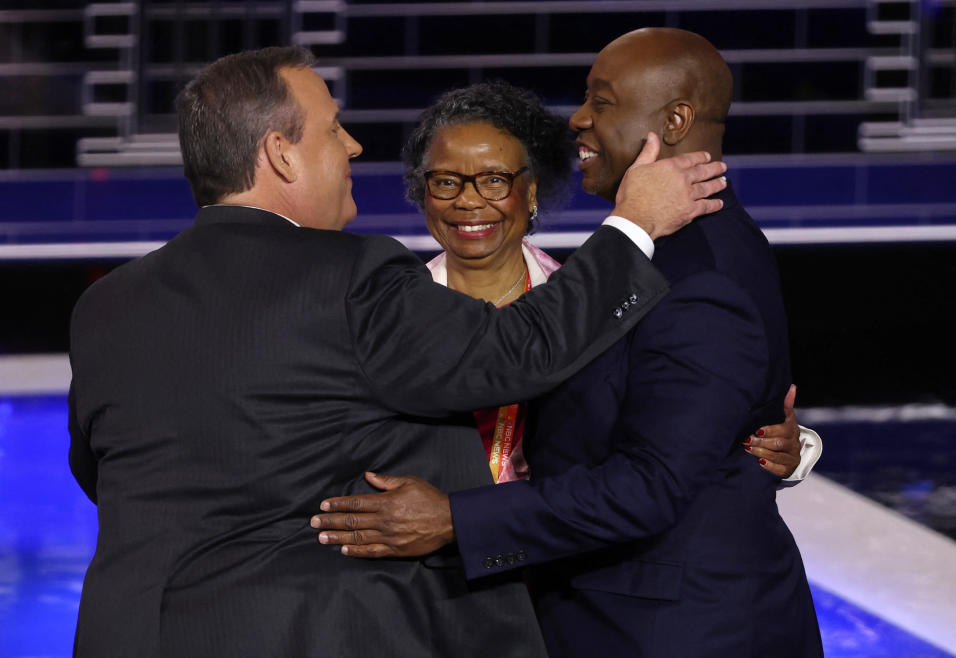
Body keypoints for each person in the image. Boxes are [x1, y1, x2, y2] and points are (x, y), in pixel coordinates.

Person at [67, 46, 727, 656]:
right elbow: (523, 349)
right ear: (280, 153)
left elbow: (105, 473)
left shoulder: (107, 305)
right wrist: (634, 222)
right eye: (331, 129)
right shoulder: (348, 277)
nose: (352, 145)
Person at [313, 29, 824, 657]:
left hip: (659, 626)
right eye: (445, 181)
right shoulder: (626, 268)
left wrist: (454, 518)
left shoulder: (668, 274)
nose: (578, 119)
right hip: (490, 603)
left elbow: (653, 478)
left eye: (601, 102)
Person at [405, 80, 820, 485]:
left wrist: (776, 443)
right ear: (423, 193)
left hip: (553, 542)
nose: (468, 199)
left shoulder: (601, 298)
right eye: (445, 181)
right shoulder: (387, 305)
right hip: (414, 542)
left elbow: (668, 433)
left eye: (494, 179)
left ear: (532, 191)